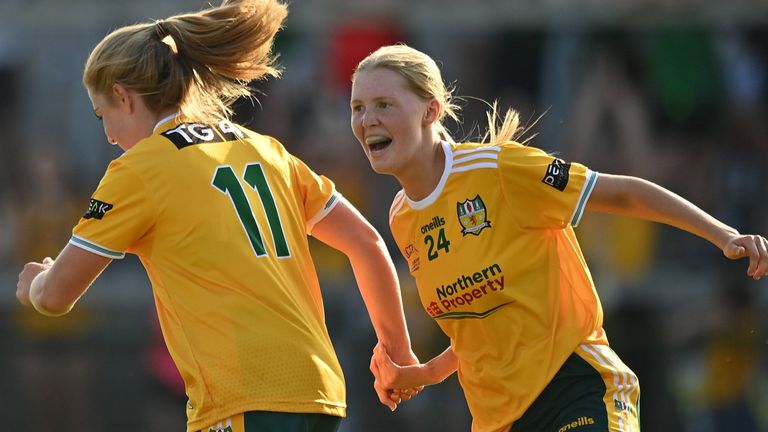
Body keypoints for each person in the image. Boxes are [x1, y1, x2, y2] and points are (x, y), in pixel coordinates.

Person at [15, 2, 419, 432]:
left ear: (123, 96)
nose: (109, 136)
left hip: (242, 398)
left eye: (103, 116)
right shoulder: (267, 149)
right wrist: (398, 352)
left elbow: (56, 296)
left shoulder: (141, 168)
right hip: (321, 393)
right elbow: (367, 242)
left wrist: (36, 283)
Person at [349, 43, 768, 432]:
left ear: (430, 110)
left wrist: (724, 234)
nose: (368, 120)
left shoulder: (499, 170)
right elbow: (479, 332)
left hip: (576, 387)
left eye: (384, 104)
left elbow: (623, 191)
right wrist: (426, 372)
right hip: (500, 420)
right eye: (358, 107)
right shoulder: (402, 218)